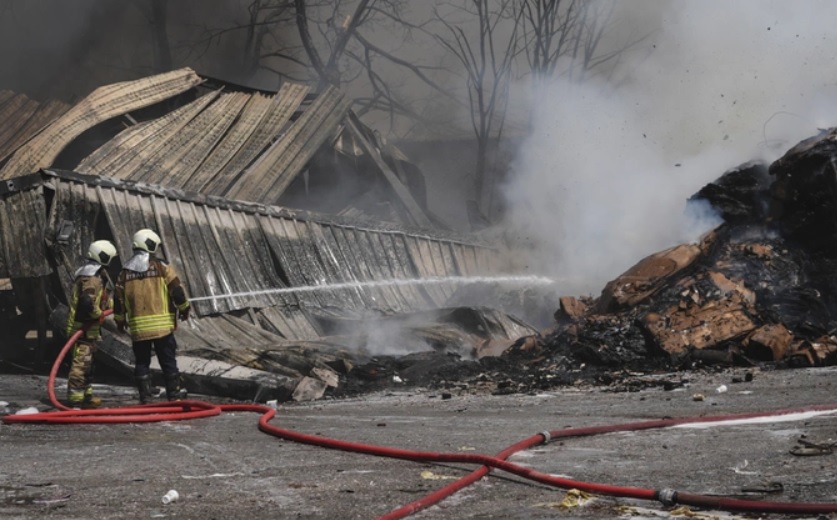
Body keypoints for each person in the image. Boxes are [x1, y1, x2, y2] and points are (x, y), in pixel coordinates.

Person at [113, 229, 191, 404]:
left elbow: (117, 301)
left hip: (139, 330)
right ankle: (174, 397)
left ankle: (145, 398)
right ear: (150, 245)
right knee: (168, 362)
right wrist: (185, 309)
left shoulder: (124, 272)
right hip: (162, 328)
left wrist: (120, 321)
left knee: (142, 363)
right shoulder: (162, 267)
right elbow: (177, 291)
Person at [65, 240, 117, 409]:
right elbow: (87, 303)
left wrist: (114, 306)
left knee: (88, 365)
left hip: (90, 331)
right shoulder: (90, 277)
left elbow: (100, 300)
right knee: (80, 366)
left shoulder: (95, 276)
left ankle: (86, 396)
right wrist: (99, 314)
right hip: (81, 330)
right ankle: (75, 401)